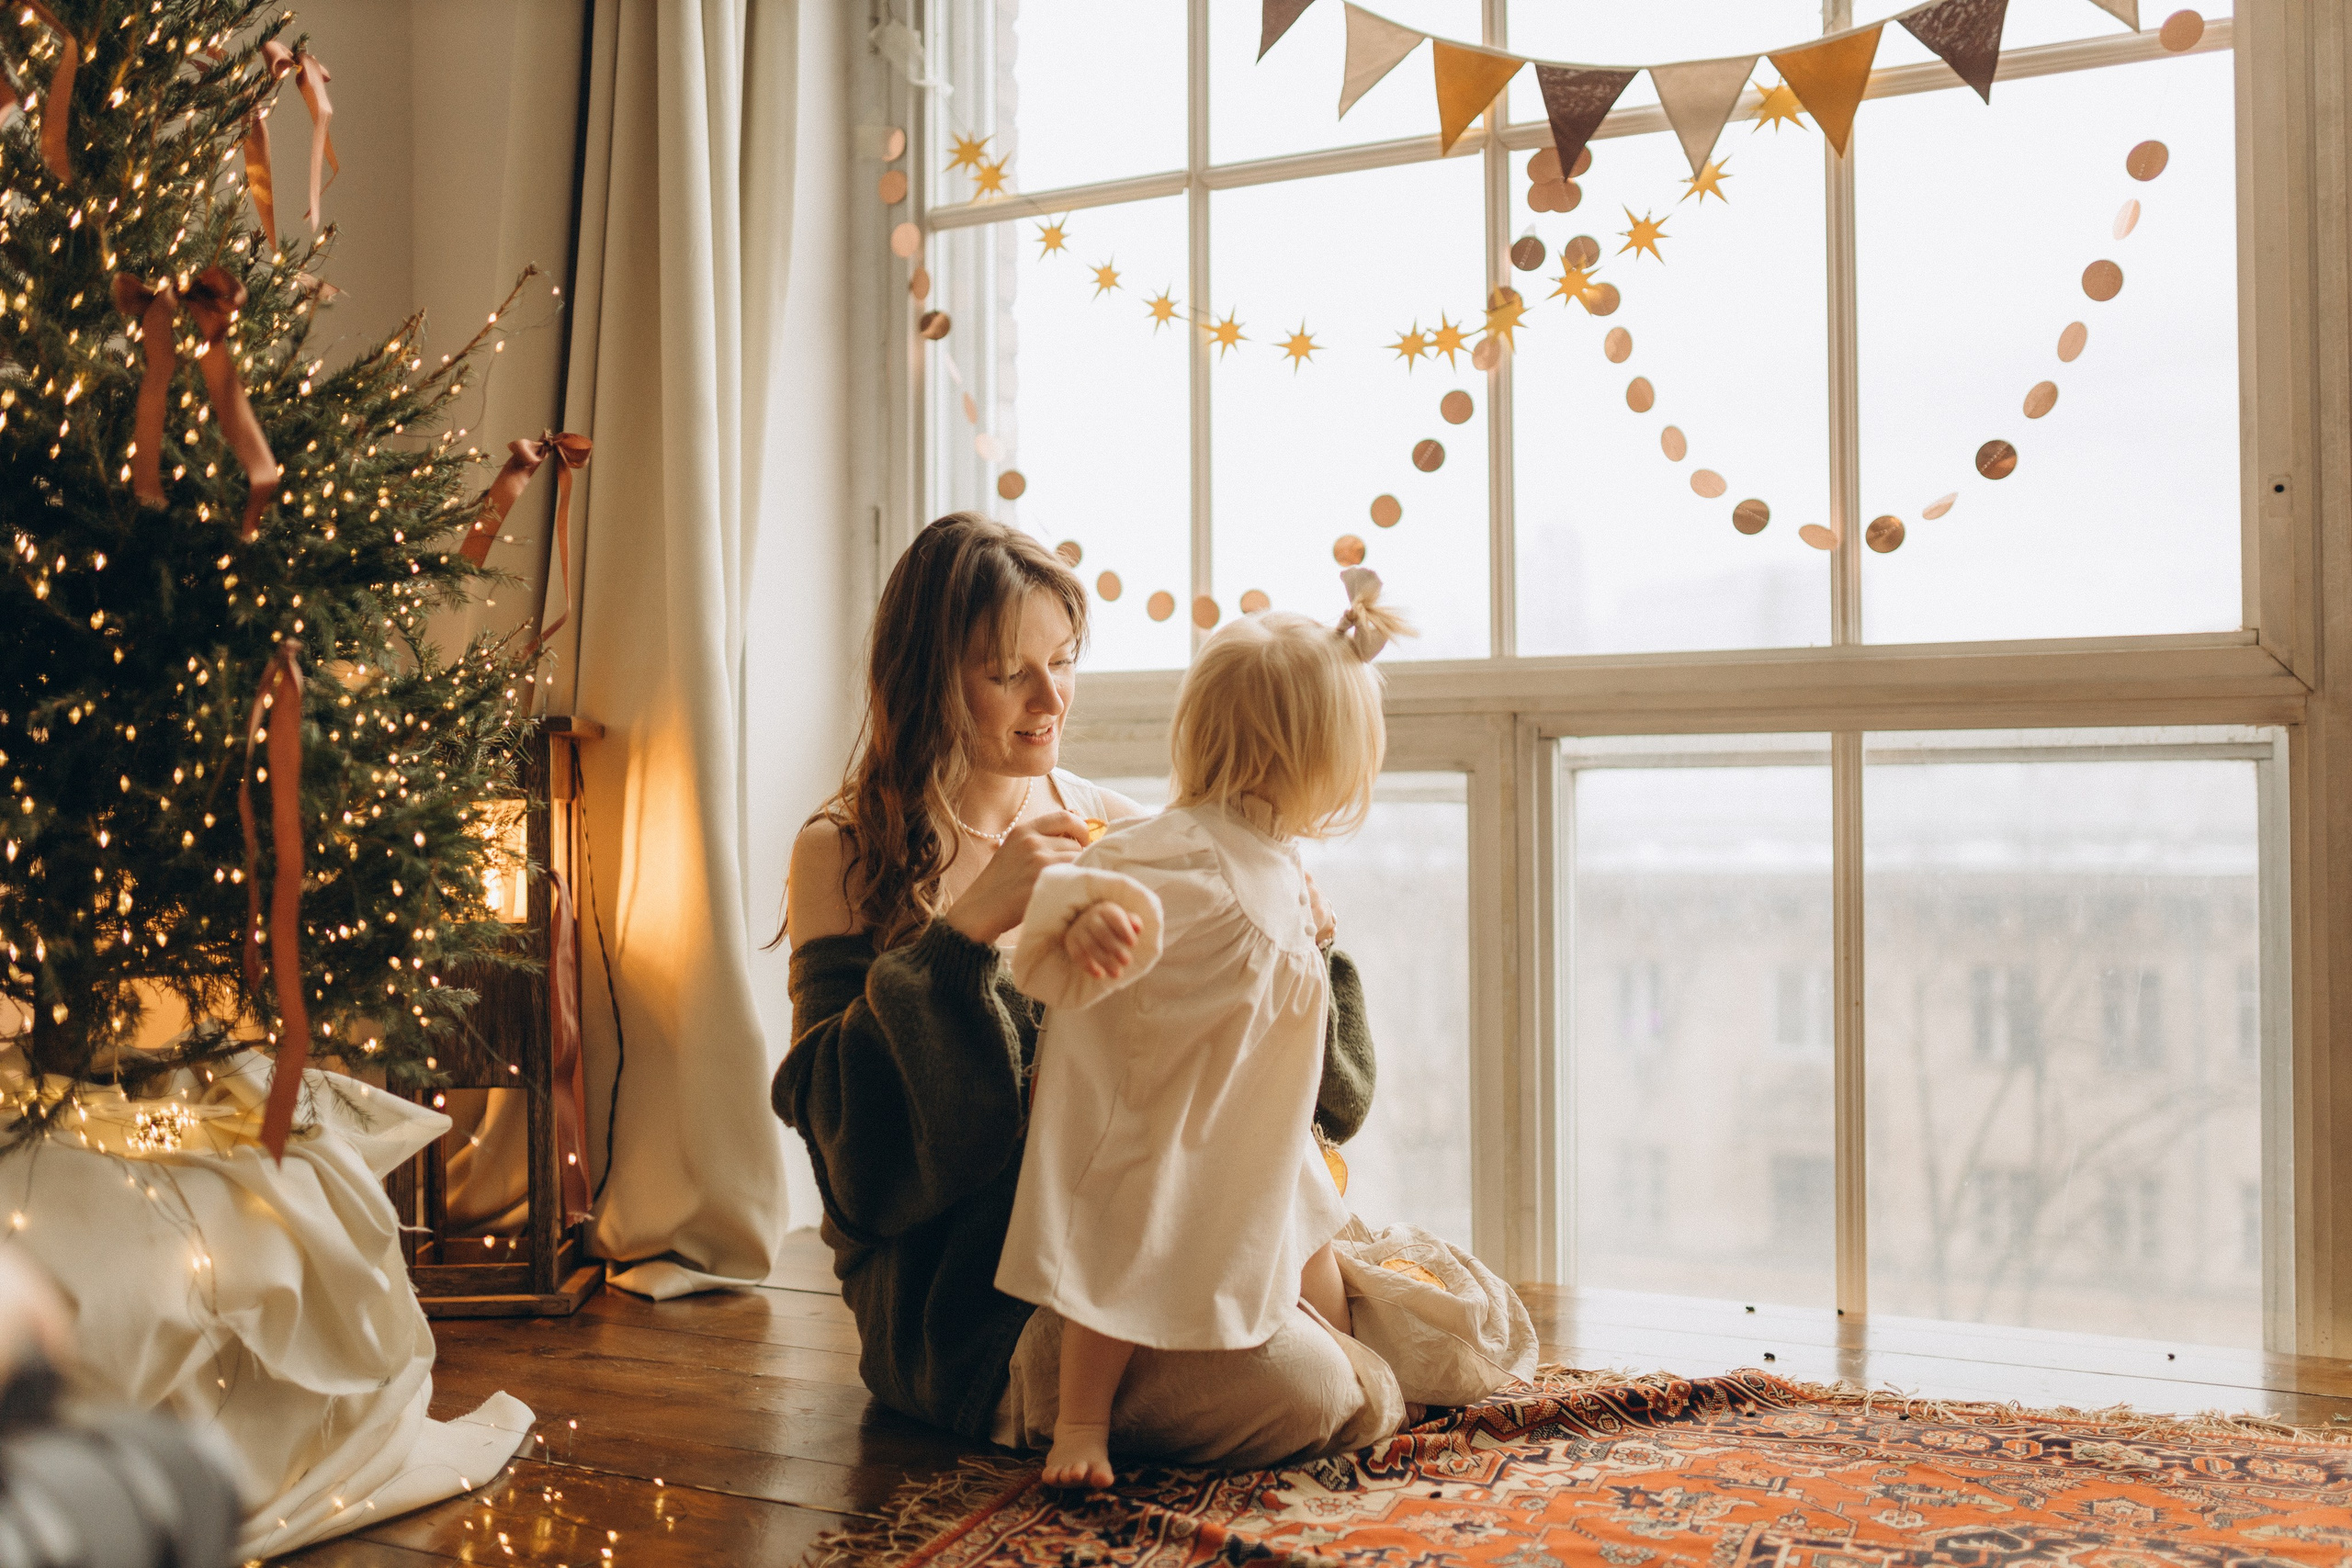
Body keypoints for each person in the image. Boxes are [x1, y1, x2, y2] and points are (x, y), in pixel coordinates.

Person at [772, 514, 1399, 1467]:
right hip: (970, 1310)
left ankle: (1346, 1355)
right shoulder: (842, 853)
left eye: (1062, 659)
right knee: (1311, 1390)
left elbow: (1325, 1102)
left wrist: (1313, 947)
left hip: (1151, 1238)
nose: (1047, 697)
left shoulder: (1117, 827)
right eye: (1005, 671)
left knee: (1412, 1302)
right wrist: (968, 930)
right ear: (926, 677)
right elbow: (854, 1165)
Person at [1000, 572, 1410, 1488]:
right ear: (1316, 763)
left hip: (1249, 1121)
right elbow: (1080, 887)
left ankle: (1339, 1347)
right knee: (1117, 1245)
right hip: (1153, 1114)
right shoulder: (1180, 850)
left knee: (1311, 1214)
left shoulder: (1274, 862)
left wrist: (1320, 934)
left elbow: (1318, 1047)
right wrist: (1081, 914)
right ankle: (1079, 1423)